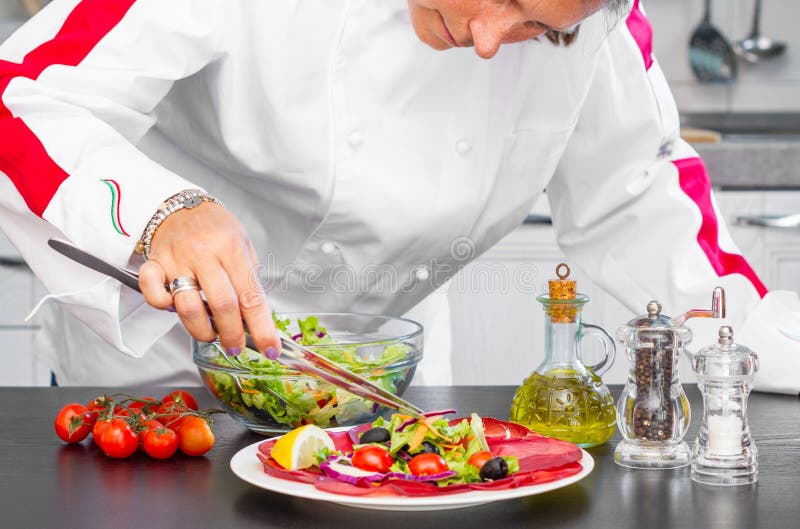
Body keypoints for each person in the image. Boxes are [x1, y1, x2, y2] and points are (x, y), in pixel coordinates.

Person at [0, 0, 797, 391]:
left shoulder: (595, 20)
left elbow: (641, 197)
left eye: (537, 26)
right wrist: (159, 212)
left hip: (380, 383)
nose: (490, 38)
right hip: (160, 370)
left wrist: (753, 339)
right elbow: (21, 94)